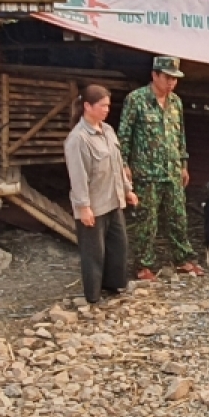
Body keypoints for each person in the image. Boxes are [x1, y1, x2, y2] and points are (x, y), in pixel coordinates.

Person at [118, 56, 204, 280]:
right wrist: (124, 164)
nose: (171, 83)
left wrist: (183, 164)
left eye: (175, 78)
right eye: (167, 77)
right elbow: (124, 135)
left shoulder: (176, 102)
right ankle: (143, 265)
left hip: (172, 170)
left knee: (178, 215)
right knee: (147, 220)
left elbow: (180, 136)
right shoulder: (136, 100)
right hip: (146, 172)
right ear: (154, 75)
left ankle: (182, 258)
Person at [64, 84, 139, 304]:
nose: (107, 109)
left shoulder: (107, 130)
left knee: (118, 245)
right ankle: (94, 296)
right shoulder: (78, 139)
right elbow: (78, 176)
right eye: (103, 105)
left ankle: (114, 285)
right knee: (93, 253)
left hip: (112, 200)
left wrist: (127, 190)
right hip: (93, 205)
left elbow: (117, 164)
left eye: (108, 105)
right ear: (87, 106)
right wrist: (83, 206)